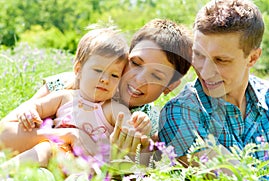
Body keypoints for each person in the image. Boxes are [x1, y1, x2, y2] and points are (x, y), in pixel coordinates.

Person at [0, 18, 193, 164]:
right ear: (126, 57)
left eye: (157, 76)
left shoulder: (145, 122)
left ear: (170, 86)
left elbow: (135, 175)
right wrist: (71, 136)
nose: (138, 79)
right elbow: (4, 134)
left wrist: (123, 154)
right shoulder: (67, 86)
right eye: (135, 63)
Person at [158, 0, 269, 172]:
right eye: (199, 55)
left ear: (253, 58)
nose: (205, 71)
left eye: (221, 60)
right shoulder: (180, 113)